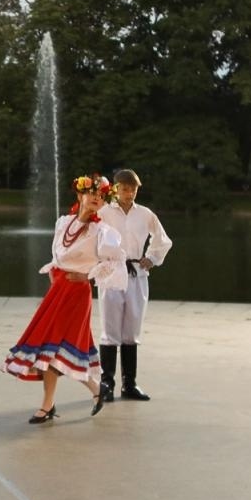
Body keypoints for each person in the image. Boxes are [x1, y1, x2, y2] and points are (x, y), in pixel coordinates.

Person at [4, 174, 126, 423]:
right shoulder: (64, 223)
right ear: (80, 195)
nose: (95, 198)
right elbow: (58, 255)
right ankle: (67, 399)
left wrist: (89, 276)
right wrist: (55, 272)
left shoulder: (102, 231)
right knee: (50, 348)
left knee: (58, 346)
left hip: (76, 294)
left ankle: (82, 393)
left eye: (101, 195)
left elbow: (116, 261)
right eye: (91, 192)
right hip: (58, 290)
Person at [96, 168, 172, 402]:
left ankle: (130, 383)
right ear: (116, 189)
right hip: (112, 271)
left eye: (134, 189)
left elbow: (163, 239)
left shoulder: (145, 214)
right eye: (126, 189)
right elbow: (90, 235)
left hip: (136, 272)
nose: (130, 194)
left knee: (132, 327)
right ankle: (107, 382)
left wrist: (152, 258)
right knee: (110, 328)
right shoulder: (104, 212)